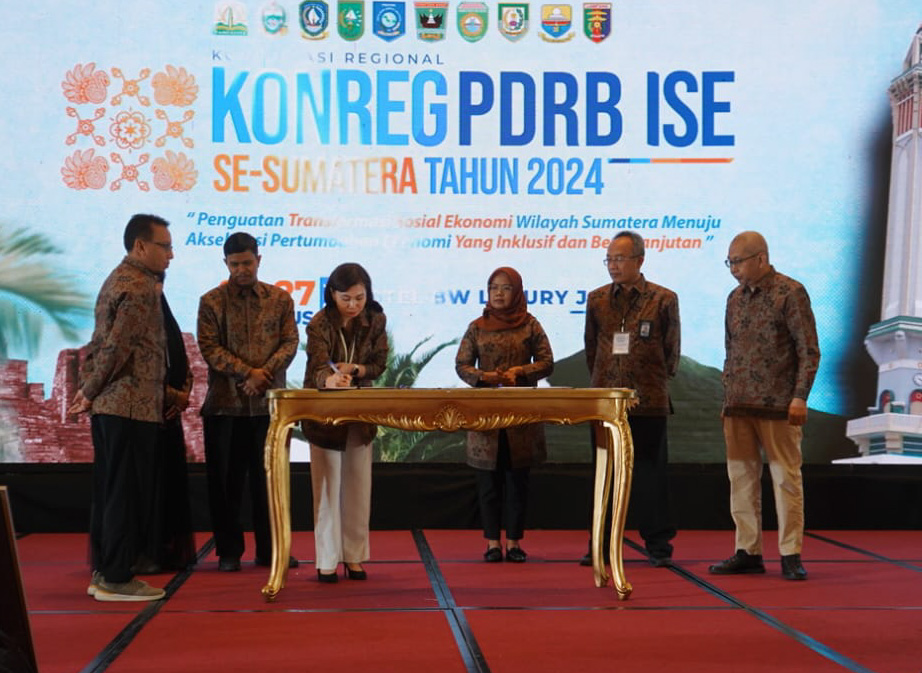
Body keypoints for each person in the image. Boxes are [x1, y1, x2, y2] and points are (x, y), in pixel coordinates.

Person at [68, 213, 173, 601]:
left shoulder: (119, 277)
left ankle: (106, 572)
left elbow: (103, 343)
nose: (171, 255)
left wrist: (90, 390)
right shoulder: (139, 286)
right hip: (128, 406)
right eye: (165, 246)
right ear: (140, 246)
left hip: (117, 407)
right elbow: (117, 347)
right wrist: (88, 390)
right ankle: (116, 577)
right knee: (126, 494)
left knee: (113, 491)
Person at [708, 231, 819, 581]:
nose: (733, 269)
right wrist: (727, 397)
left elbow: (808, 350)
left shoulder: (791, 292)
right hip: (738, 405)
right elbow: (731, 351)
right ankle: (748, 551)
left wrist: (800, 396)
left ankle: (790, 554)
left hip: (779, 405)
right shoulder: (734, 298)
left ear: (761, 258)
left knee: (786, 479)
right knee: (741, 479)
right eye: (729, 262)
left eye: (738, 262)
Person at [197, 232, 299, 572]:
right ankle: (229, 552)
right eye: (235, 264)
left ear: (259, 259)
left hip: (269, 407)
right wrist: (247, 373)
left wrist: (263, 375)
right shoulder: (211, 302)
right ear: (225, 263)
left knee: (270, 483)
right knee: (226, 485)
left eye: (247, 262)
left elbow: (290, 342)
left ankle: (271, 551)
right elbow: (209, 348)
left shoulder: (280, 299)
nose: (242, 269)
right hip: (225, 406)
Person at [582, 231, 679, 567]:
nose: (613, 265)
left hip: (648, 400)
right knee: (605, 473)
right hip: (605, 401)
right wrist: (605, 380)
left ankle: (658, 545)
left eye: (620, 259)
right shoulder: (596, 299)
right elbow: (591, 348)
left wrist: (646, 377)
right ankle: (600, 543)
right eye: (609, 259)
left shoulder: (663, 299)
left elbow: (672, 352)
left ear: (639, 260)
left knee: (651, 474)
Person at [455, 267, 554, 563]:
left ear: (517, 292)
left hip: (520, 415)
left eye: (506, 288)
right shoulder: (477, 327)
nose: (498, 293)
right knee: (488, 483)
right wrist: (483, 376)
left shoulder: (530, 325)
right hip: (486, 415)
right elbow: (462, 364)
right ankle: (492, 543)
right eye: (493, 288)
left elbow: (547, 362)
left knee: (517, 481)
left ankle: (513, 543)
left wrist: (520, 372)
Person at [302, 263, 388, 583]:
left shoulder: (375, 320)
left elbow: (379, 363)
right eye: (346, 298)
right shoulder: (320, 323)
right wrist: (330, 379)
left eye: (359, 298)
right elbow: (316, 366)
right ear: (332, 294)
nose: (353, 305)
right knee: (327, 489)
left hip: (359, 414)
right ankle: (326, 560)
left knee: (357, 487)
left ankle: (354, 557)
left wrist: (356, 370)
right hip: (325, 416)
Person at [134, 279, 196, 573]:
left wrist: (181, 397)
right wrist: (171, 395)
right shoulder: (135, 323)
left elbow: (184, 365)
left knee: (170, 486)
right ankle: (145, 553)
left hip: (170, 417)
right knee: (146, 488)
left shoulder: (167, 321)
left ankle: (167, 550)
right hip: (143, 417)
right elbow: (138, 371)